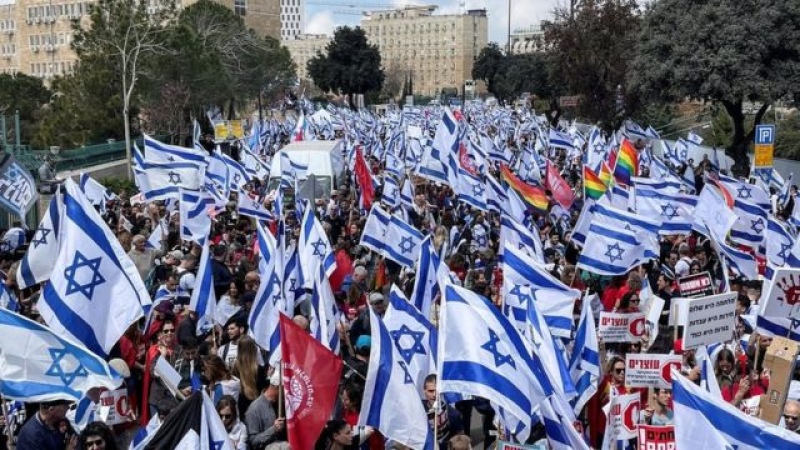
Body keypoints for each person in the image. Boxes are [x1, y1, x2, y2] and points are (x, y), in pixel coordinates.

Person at [245, 373, 286, 449]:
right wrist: (274, 429)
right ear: (277, 388)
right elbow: (253, 441)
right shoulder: (254, 409)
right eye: (285, 389)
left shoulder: (283, 404)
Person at [422, 374, 464, 448]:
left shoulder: (450, 411)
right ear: (424, 390)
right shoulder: (419, 411)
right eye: (431, 391)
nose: (434, 395)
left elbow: (459, 433)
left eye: (437, 391)